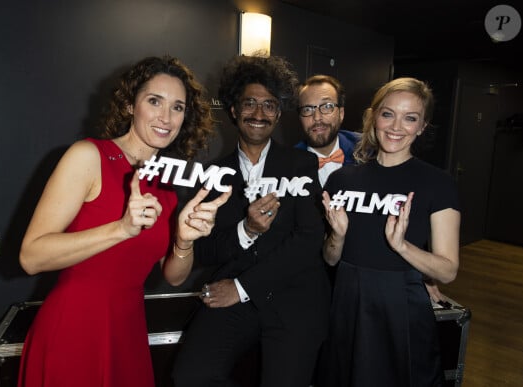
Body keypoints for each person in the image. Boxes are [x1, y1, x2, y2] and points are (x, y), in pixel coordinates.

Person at [17, 55, 231, 387]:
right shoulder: (88, 156)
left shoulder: (166, 188)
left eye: (177, 107)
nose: (166, 117)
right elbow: (31, 257)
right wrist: (120, 229)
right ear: (131, 105)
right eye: (154, 101)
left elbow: (173, 277)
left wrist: (184, 241)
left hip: (129, 330)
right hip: (74, 328)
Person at [172, 54, 330, 387]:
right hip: (234, 298)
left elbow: (309, 239)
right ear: (233, 110)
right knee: (191, 375)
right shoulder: (214, 175)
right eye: (250, 104)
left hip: (294, 298)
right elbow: (202, 251)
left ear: (278, 113)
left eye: (269, 106)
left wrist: (243, 288)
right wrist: (247, 230)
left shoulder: (301, 164)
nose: (259, 114)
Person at [320, 77, 460, 386]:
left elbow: (448, 271)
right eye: (388, 114)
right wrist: (337, 237)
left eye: (410, 118)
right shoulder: (341, 180)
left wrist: (402, 247)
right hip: (347, 300)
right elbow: (330, 260)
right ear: (373, 117)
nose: (396, 126)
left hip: (401, 306)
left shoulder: (438, 183)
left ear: (422, 126)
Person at [295, 74, 359, 187]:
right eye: (307, 109)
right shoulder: (289, 163)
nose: (317, 117)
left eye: (327, 106)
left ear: (341, 114)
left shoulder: (366, 149)